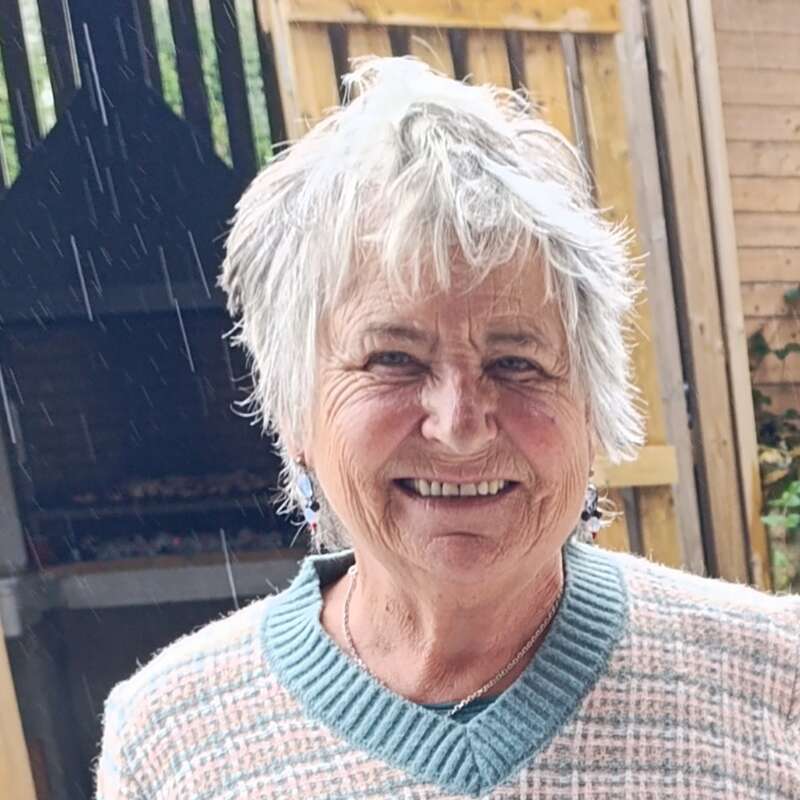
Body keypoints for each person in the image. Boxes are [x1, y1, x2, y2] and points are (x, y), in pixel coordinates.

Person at [95, 56, 800, 799]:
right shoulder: (174, 740)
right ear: (295, 409)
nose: (460, 426)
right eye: (393, 358)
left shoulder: (778, 681)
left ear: (592, 406)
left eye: (517, 361)